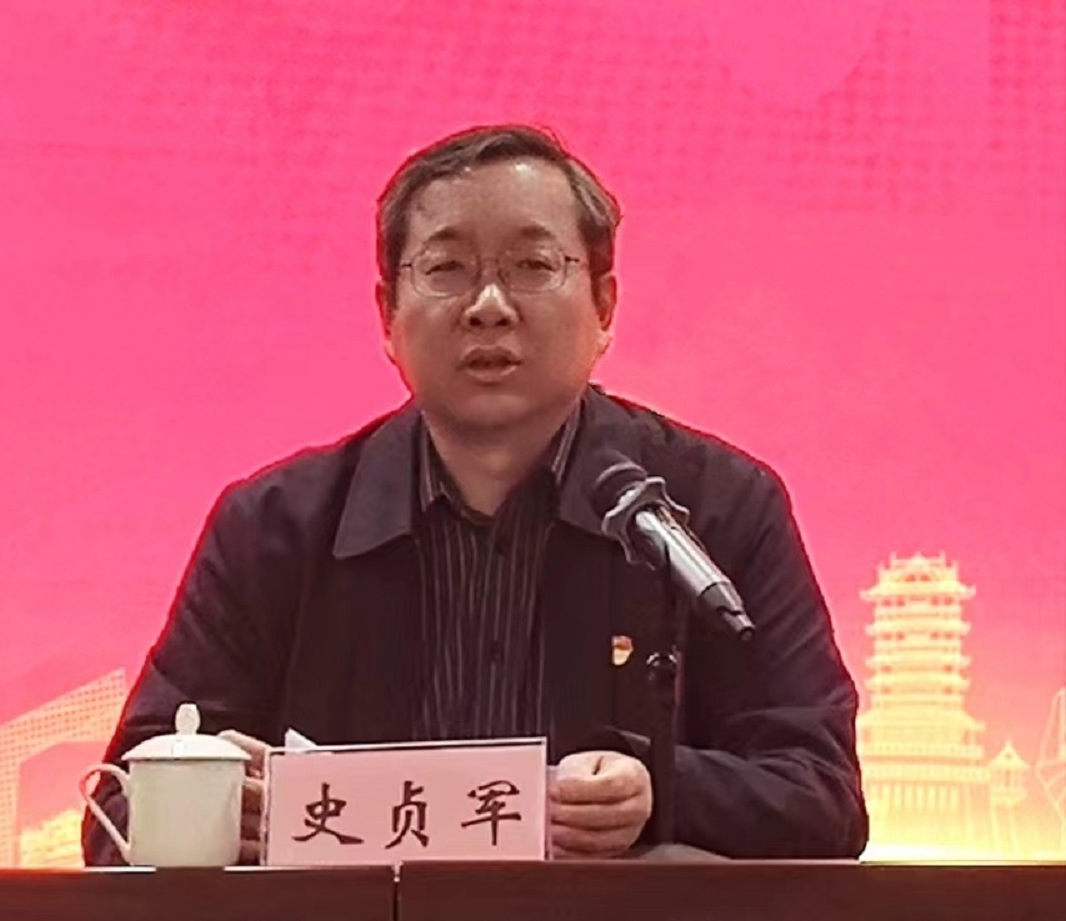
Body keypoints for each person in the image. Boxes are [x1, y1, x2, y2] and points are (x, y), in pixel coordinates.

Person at [82, 124, 868, 865]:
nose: (489, 305)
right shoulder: (275, 527)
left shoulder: (715, 509)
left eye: (532, 265)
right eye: (447, 268)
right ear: (387, 316)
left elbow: (823, 794)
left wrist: (659, 788)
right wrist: (214, 804)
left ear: (604, 307)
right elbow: (112, 812)